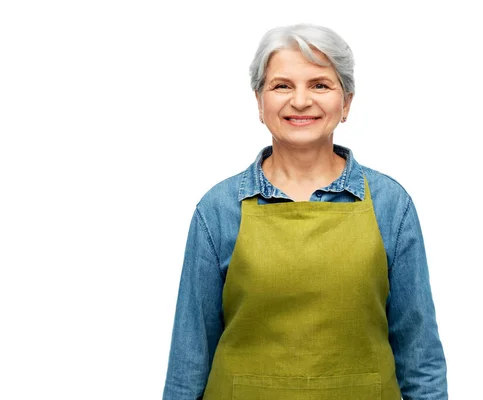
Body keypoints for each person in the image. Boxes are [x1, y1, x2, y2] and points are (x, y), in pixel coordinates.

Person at [163, 24, 447, 400]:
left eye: (319, 85)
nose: (300, 101)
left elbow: (419, 356)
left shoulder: (391, 205)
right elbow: (189, 359)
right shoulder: (217, 209)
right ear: (259, 102)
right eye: (282, 86)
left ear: (346, 102)